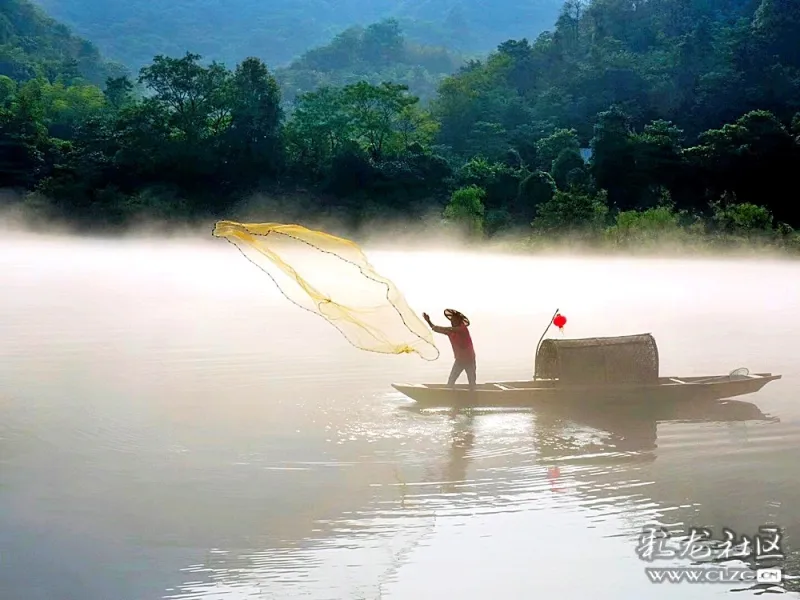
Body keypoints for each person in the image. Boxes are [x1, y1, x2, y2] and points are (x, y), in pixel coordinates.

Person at [422, 309, 476, 390]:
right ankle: (450, 394)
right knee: (451, 381)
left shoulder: (462, 328)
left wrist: (442, 328)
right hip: (459, 361)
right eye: (451, 320)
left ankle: (473, 396)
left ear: (459, 320)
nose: (452, 321)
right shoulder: (450, 332)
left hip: (469, 360)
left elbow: (452, 329)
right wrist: (428, 321)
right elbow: (435, 329)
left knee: (472, 383)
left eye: (454, 320)